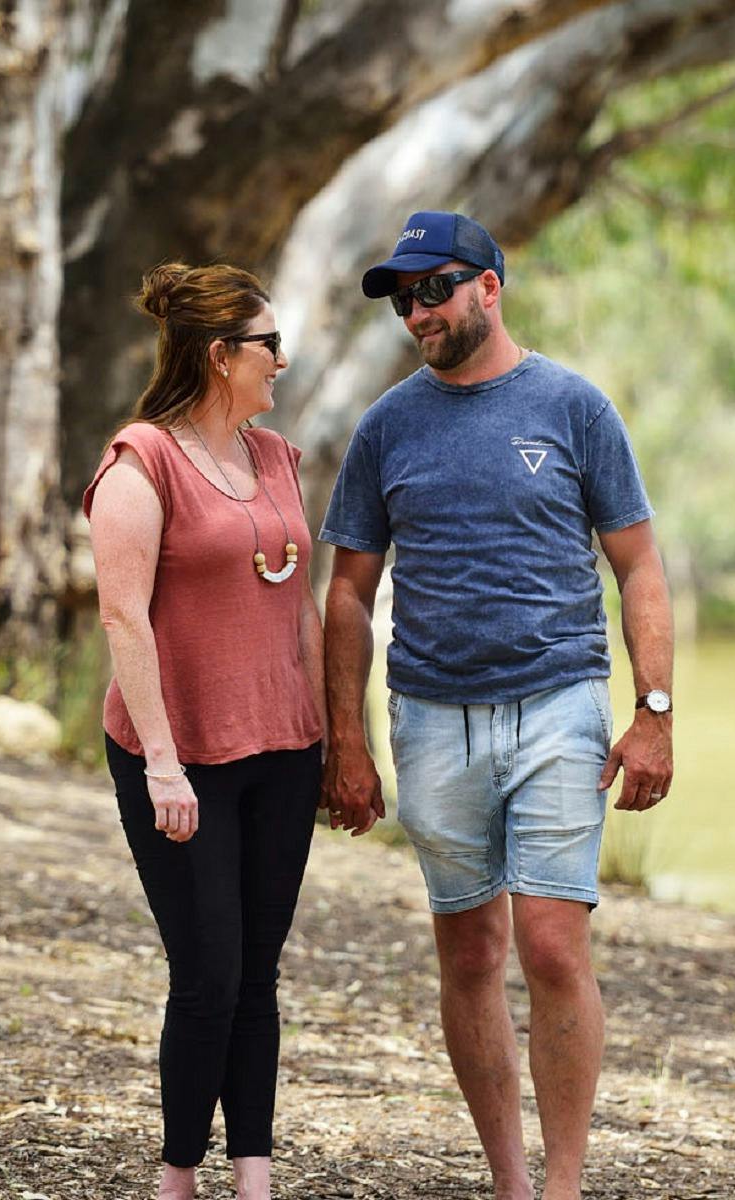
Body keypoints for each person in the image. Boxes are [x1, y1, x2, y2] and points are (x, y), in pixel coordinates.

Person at [319, 212, 675, 1200]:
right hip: (432, 716)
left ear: (489, 285)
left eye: (434, 290)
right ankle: (510, 1183)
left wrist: (653, 711)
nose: (417, 313)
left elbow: (639, 566)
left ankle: (563, 1188)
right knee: (471, 951)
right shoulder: (386, 427)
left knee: (551, 944)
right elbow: (347, 592)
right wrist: (346, 740)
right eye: (403, 300)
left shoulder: (573, 407)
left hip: (559, 701)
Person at [84, 262, 325, 1200]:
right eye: (270, 345)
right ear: (221, 355)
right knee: (208, 974)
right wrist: (163, 765)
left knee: (258, 974)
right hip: (181, 758)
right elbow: (123, 617)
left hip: (283, 750)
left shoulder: (277, 458)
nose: (282, 360)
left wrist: (333, 737)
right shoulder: (141, 463)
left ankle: (253, 1178)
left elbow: (302, 606)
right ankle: (177, 1178)